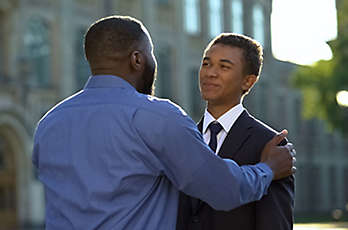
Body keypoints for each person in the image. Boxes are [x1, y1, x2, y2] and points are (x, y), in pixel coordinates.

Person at [32, 16, 296, 230]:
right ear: (137, 59)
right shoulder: (157, 118)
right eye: (151, 53)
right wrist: (268, 169)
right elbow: (223, 188)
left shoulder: (48, 124)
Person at [176, 33, 295, 230]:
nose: (210, 73)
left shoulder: (270, 145)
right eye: (206, 64)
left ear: (248, 81)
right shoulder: (182, 138)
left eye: (224, 67)